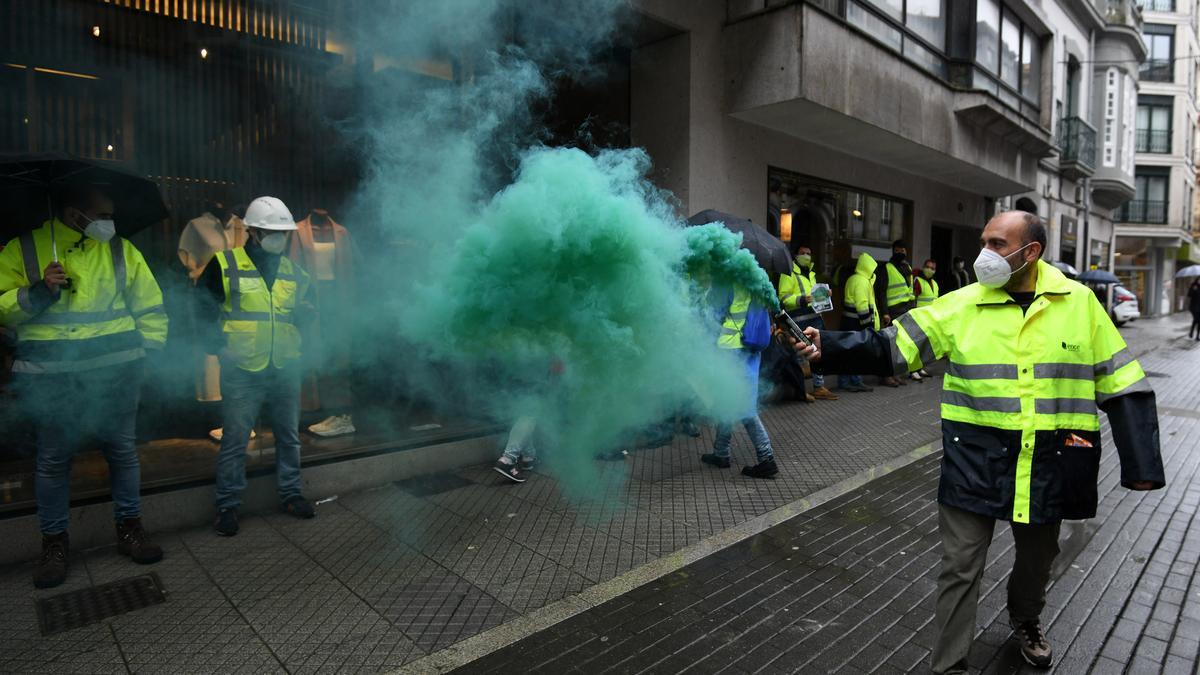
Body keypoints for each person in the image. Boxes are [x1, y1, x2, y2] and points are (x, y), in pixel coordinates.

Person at [800, 211, 1164, 673]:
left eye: (997, 243)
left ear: (1030, 252)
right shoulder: (962, 304)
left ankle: (1026, 618)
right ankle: (949, 664)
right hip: (974, 459)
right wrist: (825, 345)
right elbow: (893, 346)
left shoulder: (1081, 305)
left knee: (1037, 562)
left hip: (1048, 464)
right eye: (984, 241)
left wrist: (1142, 466)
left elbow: (1123, 382)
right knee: (959, 566)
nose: (984, 254)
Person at [0, 185, 168, 588]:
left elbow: (150, 307)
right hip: (52, 378)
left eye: (111, 216)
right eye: (101, 216)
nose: (109, 224)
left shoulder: (121, 250)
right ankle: (54, 545)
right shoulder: (23, 249)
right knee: (54, 462)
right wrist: (38, 291)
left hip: (117, 372)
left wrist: (150, 356)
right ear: (75, 214)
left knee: (123, 453)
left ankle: (130, 530)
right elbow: (1, 305)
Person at [197, 196, 317, 536]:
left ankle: (291, 494)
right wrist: (219, 348)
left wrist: (306, 320)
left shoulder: (295, 273)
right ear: (252, 232)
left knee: (289, 438)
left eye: (283, 232)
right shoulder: (224, 264)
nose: (279, 238)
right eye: (270, 231)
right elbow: (201, 310)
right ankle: (227, 505)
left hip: (284, 366)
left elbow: (303, 313)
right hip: (243, 367)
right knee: (235, 439)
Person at [700, 284, 778, 478]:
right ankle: (721, 452)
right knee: (728, 399)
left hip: (731, 348)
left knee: (743, 406)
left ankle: (766, 458)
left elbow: (712, 314)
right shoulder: (758, 283)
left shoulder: (729, 282)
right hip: (752, 348)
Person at [778, 245, 836, 401]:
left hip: (814, 319)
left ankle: (819, 386)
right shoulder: (788, 273)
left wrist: (825, 295)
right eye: (802, 253)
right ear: (796, 255)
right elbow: (783, 298)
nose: (806, 256)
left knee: (817, 353)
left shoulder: (811, 274)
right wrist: (802, 300)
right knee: (800, 356)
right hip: (798, 321)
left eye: (808, 254)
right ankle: (801, 390)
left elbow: (816, 297)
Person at [876, 239, 916, 383]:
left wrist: (913, 308)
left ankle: (894, 373)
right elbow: (881, 293)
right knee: (889, 344)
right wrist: (884, 312)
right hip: (892, 312)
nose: (900, 253)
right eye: (897, 250)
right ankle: (886, 375)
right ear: (893, 251)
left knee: (899, 345)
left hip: (906, 311)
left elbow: (910, 291)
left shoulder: (907, 267)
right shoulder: (886, 268)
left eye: (902, 250)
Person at [837, 252, 876, 393]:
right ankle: (854, 381)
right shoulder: (862, 281)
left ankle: (846, 381)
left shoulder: (853, 278)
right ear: (867, 268)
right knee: (855, 352)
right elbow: (862, 305)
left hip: (848, 320)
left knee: (847, 351)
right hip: (856, 322)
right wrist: (868, 325)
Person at [911, 258, 938, 379]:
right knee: (916, 345)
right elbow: (913, 299)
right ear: (923, 267)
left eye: (932, 268)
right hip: (918, 318)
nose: (930, 270)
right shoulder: (918, 281)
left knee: (923, 346)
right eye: (928, 267)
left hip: (929, 319)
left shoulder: (935, 284)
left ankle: (919, 367)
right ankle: (913, 369)